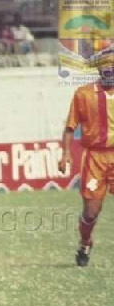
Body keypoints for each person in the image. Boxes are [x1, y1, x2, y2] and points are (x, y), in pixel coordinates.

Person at [58, 48, 114, 267]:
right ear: (99, 67)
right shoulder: (83, 93)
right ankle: (85, 243)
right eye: (106, 65)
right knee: (91, 212)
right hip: (95, 159)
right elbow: (70, 127)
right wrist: (65, 154)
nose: (109, 68)